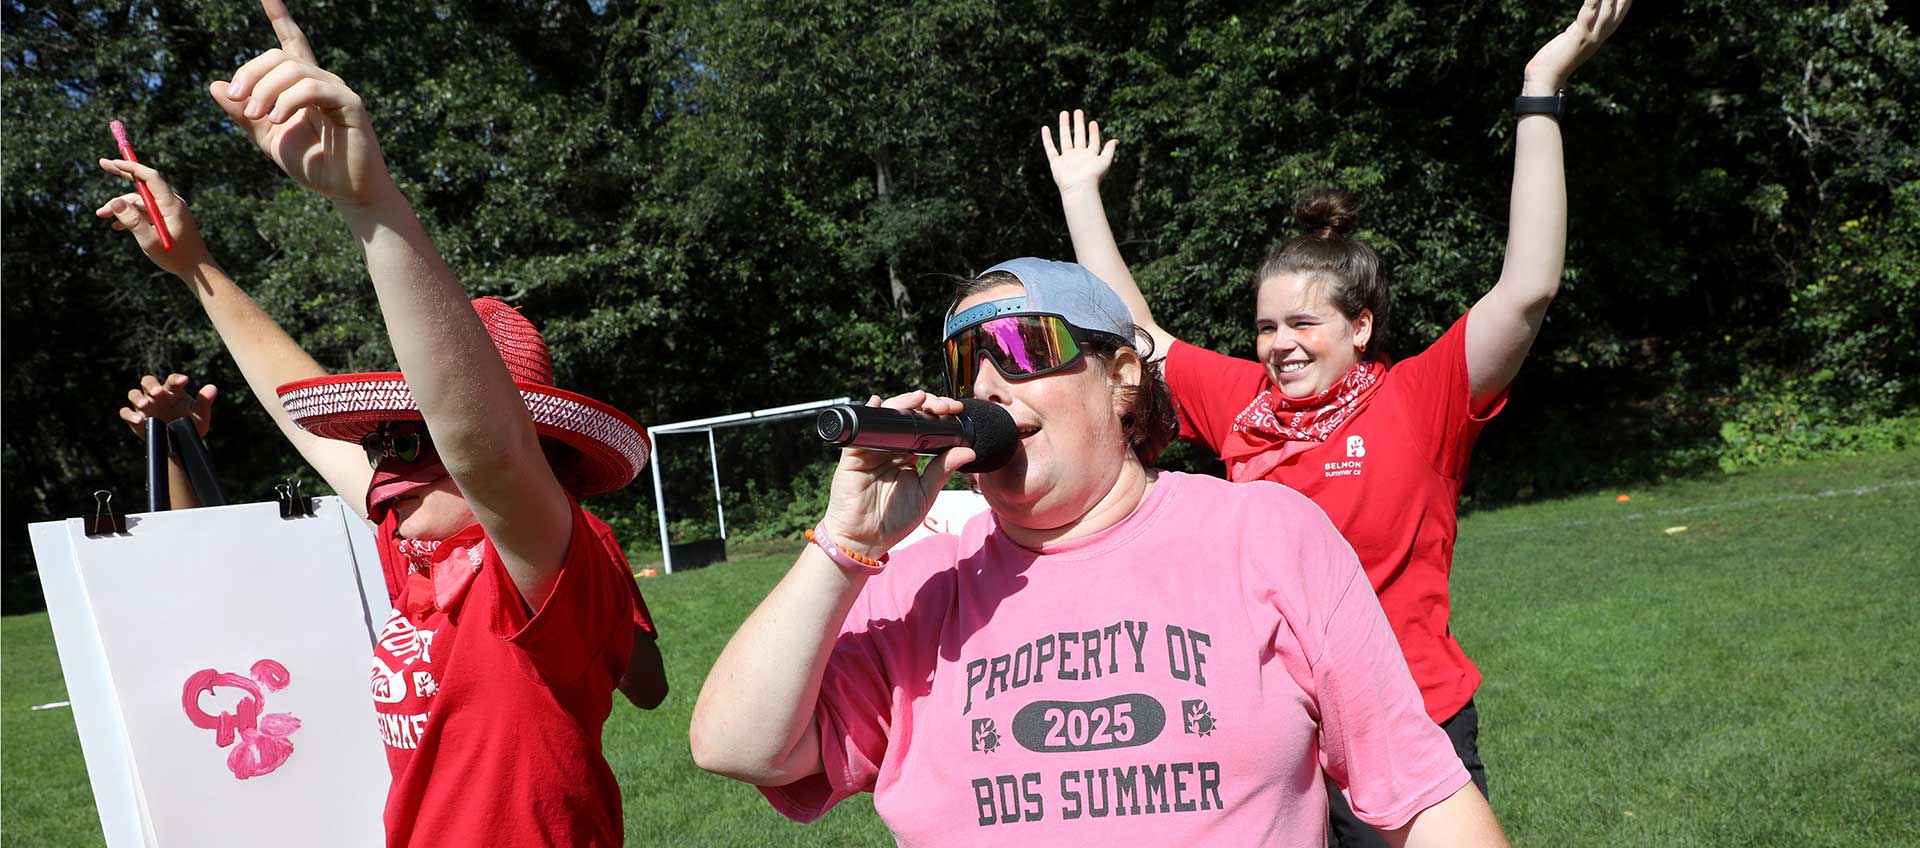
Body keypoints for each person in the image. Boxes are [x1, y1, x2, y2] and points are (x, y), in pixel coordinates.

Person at [1040, 2, 1630, 844]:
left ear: (1359, 327)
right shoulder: (1244, 402)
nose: (1279, 346)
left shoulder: (1421, 398)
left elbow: (1528, 285)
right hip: (1276, 738)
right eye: (1266, 327)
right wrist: (1078, 194)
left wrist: (1540, 90)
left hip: (1409, 721)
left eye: (1303, 326)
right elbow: (1139, 334)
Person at [690, 258, 1509, 846]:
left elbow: (1421, 801)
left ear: (1121, 375)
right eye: (966, 362)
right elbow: (736, 745)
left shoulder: (1265, 534)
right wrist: (845, 545)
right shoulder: (914, 584)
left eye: (1022, 347)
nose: (987, 387)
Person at [92, 1, 663, 843]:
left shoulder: (533, 562)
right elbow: (305, 412)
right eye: (385, 439)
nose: (386, 461)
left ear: (538, 461)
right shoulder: (416, 544)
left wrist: (372, 204)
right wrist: (197, 267)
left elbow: (484, 450)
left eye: (415, 440)